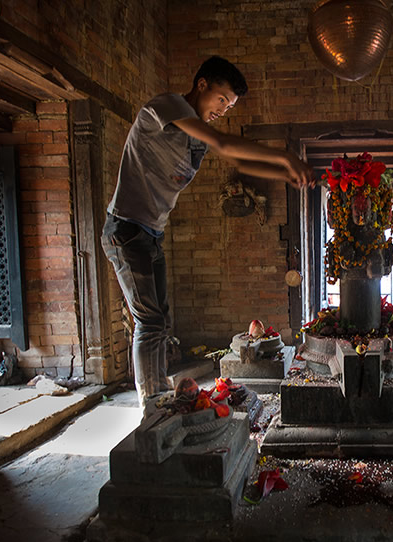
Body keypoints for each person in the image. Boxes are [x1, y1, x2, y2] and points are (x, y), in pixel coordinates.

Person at [102, 55, 314, 405]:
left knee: (160, 320)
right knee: (150, 322)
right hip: (125, 229)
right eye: (221, 100)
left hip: (152, 234)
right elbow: (226, 144)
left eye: (229, 106)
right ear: (201, 85)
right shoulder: (167, 106)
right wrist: (286, 157)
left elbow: (239, 160)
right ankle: (152, 405)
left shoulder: (194, 136)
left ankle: (158, 400)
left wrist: (285, 174)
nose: (223, 109)